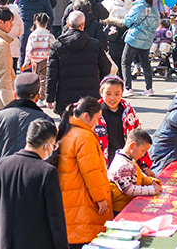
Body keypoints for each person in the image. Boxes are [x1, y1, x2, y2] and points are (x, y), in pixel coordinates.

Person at [0, 119, 68, 249]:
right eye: (54, 145)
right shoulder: (47, 172)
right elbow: (56, 218)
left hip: (5, 243)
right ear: (47, 146)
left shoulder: (0, 165)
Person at [0, 72, 52, 186]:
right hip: (31, 181)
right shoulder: (45, 121)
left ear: (15, 94)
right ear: (38, 96)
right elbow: (52, 156)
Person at [55, 97, 112, 247]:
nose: (98, 122)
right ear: (86, 116)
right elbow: (92, 171)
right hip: (83, 201)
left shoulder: (66, 131)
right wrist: (101, 198)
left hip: (69, 197)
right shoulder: (84, 137)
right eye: (97, 118)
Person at [46, 11, 113, 114]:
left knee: (67, 122)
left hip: (65, 96)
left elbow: (52, 74)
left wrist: (49, 97)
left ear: (68, 24)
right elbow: (106, 66)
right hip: (90, 94)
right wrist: (100, 85)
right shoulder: (95, 45)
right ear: (83, 25)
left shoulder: (57, 46)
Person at [93, 76, 152, 171]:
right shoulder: (95, 114)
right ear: (101, 92)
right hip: (102, 162)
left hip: (126, 159)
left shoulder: (129, 112)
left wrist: (145, 167)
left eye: (117, 94)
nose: (112, 98)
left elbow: (139, 139)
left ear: (122, 93)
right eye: (108, 94)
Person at [107, 128, 161, 213]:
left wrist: (151, 182)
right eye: (143, 151)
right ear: (132, 146)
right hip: (121, 208)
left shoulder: (129, 159)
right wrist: (152, 190)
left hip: (128, 203)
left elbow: (139, 176)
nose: (143, 155)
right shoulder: (122, 165)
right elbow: (128, 189)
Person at [121, 0, 160, 97]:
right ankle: (149, 88)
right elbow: (157, 24)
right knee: (146, 63)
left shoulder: (137, 7)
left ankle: (128, 88)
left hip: (134, 38)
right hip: (147, 40)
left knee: (125, 62)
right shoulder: (154, 9)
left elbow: (127, 21)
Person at [16, 0, 54, 65]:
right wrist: (47, 27)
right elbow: (50, 14)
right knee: (40, 56)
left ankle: (23, 71)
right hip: (40, 29)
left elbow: (15, 12)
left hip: (24, 28)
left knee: (23, 53)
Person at [23, 13, 55, 99]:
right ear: (47, 22)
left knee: (36, 79)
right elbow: (53, 48)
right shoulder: (49, 35)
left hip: (35, 60)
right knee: (44, 80)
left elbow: (29, 49)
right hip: (46, 59)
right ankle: (42, 97)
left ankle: (35, 95)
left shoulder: (32, 35)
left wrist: (27, 61)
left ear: (36, 22)